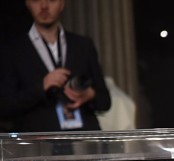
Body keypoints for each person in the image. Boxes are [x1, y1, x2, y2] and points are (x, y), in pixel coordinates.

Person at [0, 0, 111, 132]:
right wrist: (41, 87)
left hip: (83, 140)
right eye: (36, 0)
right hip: (38, 143)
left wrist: (90, 94)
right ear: (27, 3)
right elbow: (4, 107)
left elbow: (105, 101)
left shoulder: (83, 45)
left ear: (62, 3)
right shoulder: (13, 50)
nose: (44, 6)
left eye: (51, 0)